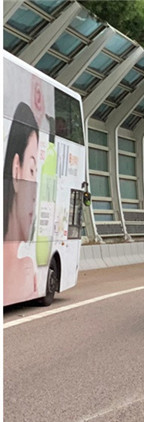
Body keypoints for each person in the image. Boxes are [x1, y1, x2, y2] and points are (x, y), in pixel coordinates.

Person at [3, 102, 40, 304]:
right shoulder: (27, 275)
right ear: (16, 171)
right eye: (32, 171)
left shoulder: (27, 270)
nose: (35, 192)